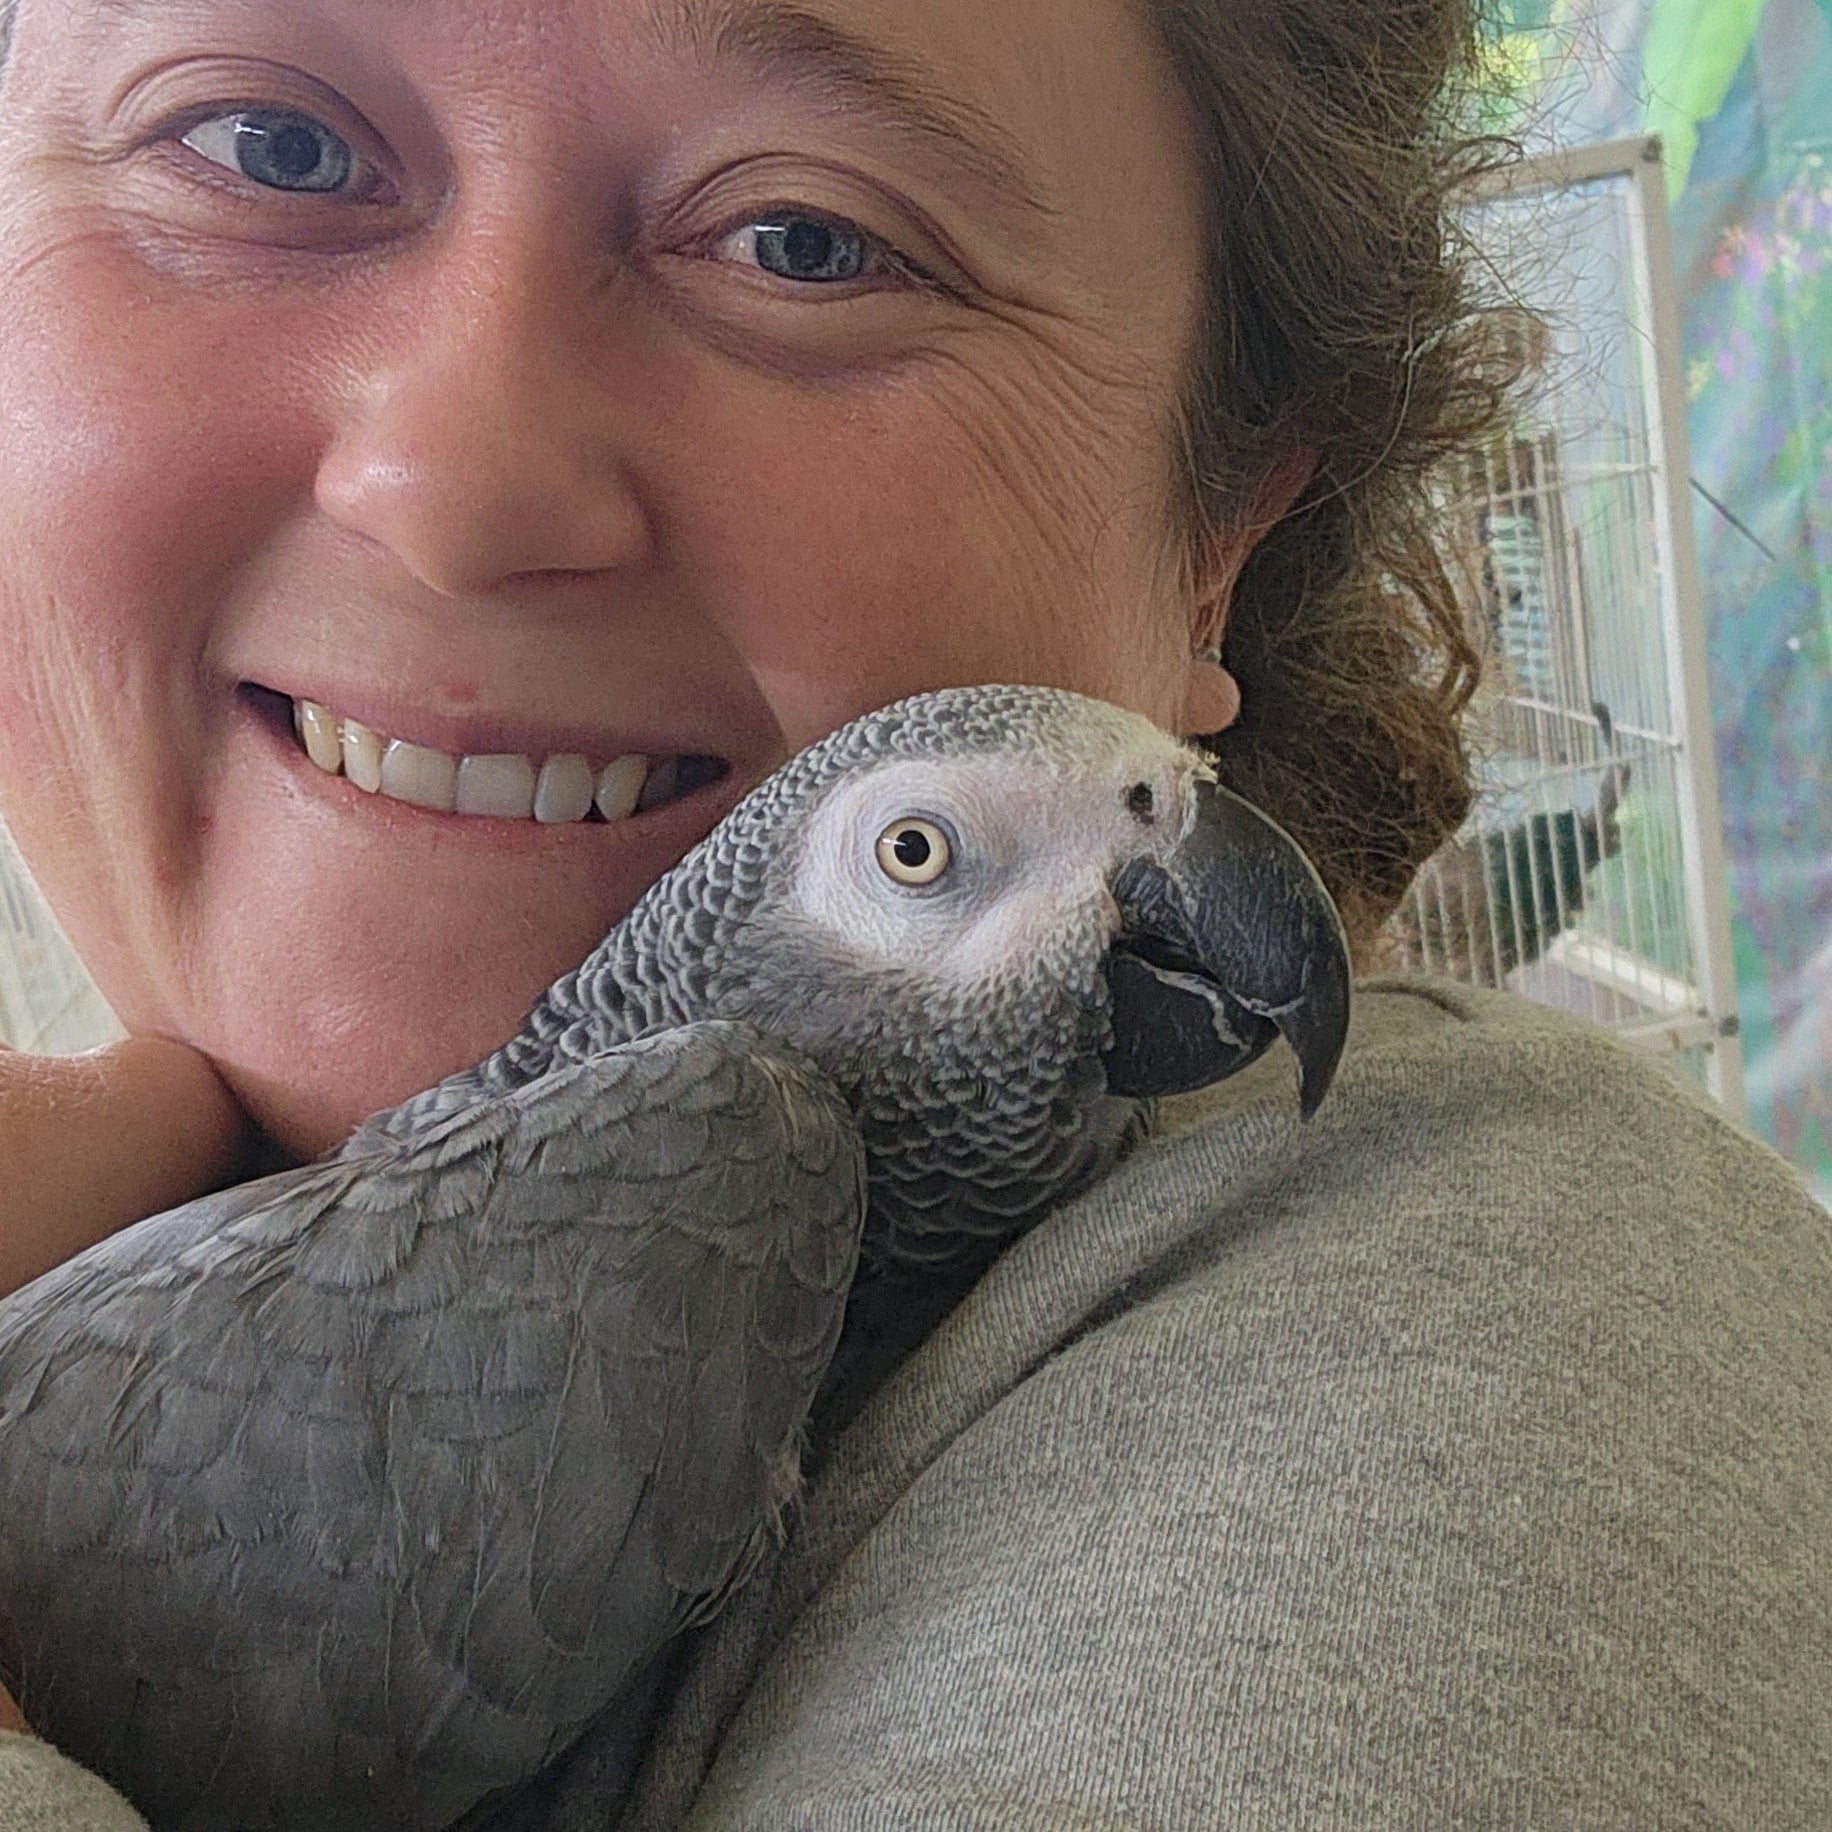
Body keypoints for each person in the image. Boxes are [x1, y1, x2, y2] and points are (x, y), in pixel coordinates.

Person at [0, 0, 1826, 1824]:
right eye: (263, 147)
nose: (453, 494)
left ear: (1222, 548)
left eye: (808, 241)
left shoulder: (1476, 1311)